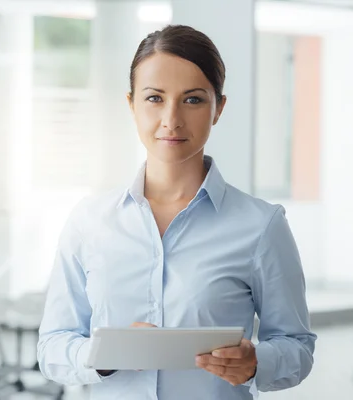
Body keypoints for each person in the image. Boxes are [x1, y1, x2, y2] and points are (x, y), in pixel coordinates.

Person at [37, 25, 316, 400]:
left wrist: (256, 362)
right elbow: (52, 345)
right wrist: (101, 356)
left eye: (193, 100)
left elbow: (297, 346)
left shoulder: (261, 226)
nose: (171, 119)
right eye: (154, 98)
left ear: (218, 108)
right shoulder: (89, 222)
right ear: (131, 104)